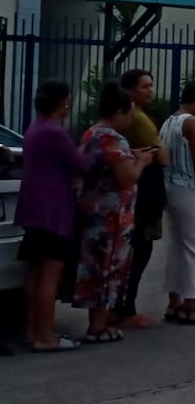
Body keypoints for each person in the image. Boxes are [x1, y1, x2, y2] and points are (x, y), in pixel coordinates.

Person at [75, 83, 160, 343]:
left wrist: (130, 155)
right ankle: (99, 327)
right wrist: (142, 162)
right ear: (120, 112)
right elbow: (126, 178)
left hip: (94, 212)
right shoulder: (112, 138)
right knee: (109, 268)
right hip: (111, 216)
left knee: (96, 267)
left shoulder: (92, 134)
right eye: (129, 114)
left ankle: (97, 323)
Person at [15, 80, 91, 352]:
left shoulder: (35, 129)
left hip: (34, 209)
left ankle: (33, 331)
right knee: (50, 275)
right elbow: (81, 164)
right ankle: (46, 336)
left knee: (35, 274)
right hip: (54, 211)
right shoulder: (55, 133)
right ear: (64, 103)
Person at [114, 68, 170, 328]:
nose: (151, 90)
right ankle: (126, 307)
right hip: (146, 189)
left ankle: (123, 305)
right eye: (145, 86)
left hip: (141, 188)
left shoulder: (134, 116)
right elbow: (162, 156)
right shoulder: (138, 118)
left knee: (136, 248)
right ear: (131, 90)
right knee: (140, 248)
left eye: (151, 85)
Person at [158, 83, 195, 325]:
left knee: (178, 246)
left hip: (170, 186)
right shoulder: (193, 123)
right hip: (190, 187)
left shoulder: (168, 122)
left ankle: (174, 302)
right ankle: (190, 304)